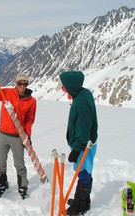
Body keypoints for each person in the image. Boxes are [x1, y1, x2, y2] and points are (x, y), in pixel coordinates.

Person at [0, 73, 36, 199]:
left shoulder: (31, 101)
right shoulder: (5, 93)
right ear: (15, 84)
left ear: (27, 84)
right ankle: (2, 185)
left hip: (18, 136)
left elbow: (29, 120)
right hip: (3, 135)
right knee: (0, 163)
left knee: (19, 164)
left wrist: (27, 136)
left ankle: (23, 187)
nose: (22, 86)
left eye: (24, 84)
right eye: (19, 83)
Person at [56, 71, 98, 215]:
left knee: (83, 172)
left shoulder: (81, 104)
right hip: (85, 143)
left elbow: (84, 130)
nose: (62, 89)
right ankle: (83, 201)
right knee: (83, 171)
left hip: (84, 145)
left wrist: (76, 150)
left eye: (63, 86)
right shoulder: (83, 94)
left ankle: (80, 206)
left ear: (70, 86)